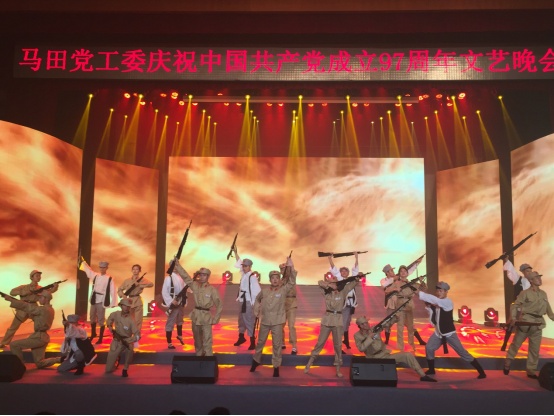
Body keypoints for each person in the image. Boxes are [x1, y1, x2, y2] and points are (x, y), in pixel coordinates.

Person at [419, 281, 487, 379]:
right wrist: (426, 301)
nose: (439, 293)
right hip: (438, 333)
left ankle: (481, 372)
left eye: (441, 291)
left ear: (446, 292)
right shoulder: (438, 303)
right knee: (429, 347)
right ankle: (431, 369)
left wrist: (420, 293)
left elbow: (433, 300)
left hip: (449, 334)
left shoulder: (447, 302)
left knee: (463, 352)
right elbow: (432, 310)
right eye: (437, 291)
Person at [304, 272, 360, 378]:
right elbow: (320, 282)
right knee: (320, 343)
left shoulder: (342, 292)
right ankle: (310, 363)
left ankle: (338, 368)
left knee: (338, 345)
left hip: (338, 320)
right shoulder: (326, 292)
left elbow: (351, 285)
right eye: (331, 283)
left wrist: (356, 280)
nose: (334, 285)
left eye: (335, 283)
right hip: (327, 319)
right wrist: (329, 284)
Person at [354, 316, 436, 382]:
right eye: (365, 323)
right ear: (361, 326)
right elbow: (361, 349)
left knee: (407, 355)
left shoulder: (374, 328)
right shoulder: (357, 335)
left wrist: (395, 318)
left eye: (367, 322)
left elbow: (386, 324)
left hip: (385, 355)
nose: (367, 324)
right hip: (373, 358)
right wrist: (369, 338)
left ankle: (423, 375)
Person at [504, 271, 554, 379]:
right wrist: (513, 318)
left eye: (540, 277)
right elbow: (515, 305)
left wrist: (552, 317)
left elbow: (548, 309)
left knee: (534, 350)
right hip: (525, 323)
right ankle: (508, 362)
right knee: (516, 345)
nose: (539, 279)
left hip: (538, 324)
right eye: (536, 278)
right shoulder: (525, 293)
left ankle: (531, 371)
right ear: (531, 280)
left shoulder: (543, 294)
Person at [251, 262, 297, 378]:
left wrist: (291, 266)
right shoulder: (265, 291)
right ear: (270, 280)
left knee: (276, 345)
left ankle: (276, 366)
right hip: (265, 321)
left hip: (277, 322)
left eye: (277, 278)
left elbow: (292, 281)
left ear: (279, 279)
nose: (275, 280)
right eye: (273, 278)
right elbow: (257, 299)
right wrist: (256, 311)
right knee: (260, 343)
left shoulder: (283, 290)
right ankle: (256, 361)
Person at [174, 260, 223, 356]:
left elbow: (219, 305)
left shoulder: (212, 290)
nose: (202, 277)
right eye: (200, 275)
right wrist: (178, 265)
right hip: (196, 316)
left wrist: (216, 319)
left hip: (206, 317)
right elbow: (186, 277)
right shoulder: (195, 286)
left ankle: (208, 359)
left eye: (204, 275)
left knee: (207, 340)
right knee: (197, 340)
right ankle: (199, 357)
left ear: (208, 277)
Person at [0, 290, 59, 369]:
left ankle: (20, 366)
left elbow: (27, 307)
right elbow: (36, 316)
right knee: (40, 363)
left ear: (47, 299)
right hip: (42, 337)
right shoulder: (50, 309)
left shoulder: (43, 309)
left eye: (41, 297)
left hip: (39, 338)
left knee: (14, 345)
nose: (38, 299)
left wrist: (11, 300)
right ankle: (60, 359)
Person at [0, 271, 59, 348]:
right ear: (31, 277)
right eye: (37, 276)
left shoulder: (40, 288)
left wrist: (55, 287)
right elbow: (12, 292)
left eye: (39, 276)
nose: (38, 277)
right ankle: (4, 342)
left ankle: (41, 340)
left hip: (34, 308)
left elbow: (48, 292)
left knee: (41, 326)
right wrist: (24, 292)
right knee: (13, 327)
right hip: (23, 308)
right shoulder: (24, 287)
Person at [386, 265, 427, 351]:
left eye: (405, 271)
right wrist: (395, 289)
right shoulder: (396, 283)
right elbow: (387, 290)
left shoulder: (412, 283)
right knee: (400, 327)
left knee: (410, 327)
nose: (403, 273)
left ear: (407, 273)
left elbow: (424, 288)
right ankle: (400, 347)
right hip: (400, 305)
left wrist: (421, 281)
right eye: (401, 271)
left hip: (409, 304)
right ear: (399, 274)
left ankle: (411, 345)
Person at [79, 259, 118, 344]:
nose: (102, 269)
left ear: (106, 268)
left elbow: (113, 290)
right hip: (94, 298)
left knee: (100, 319)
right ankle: (93, 333)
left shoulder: (109, 278)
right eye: (100, 267)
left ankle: (100, 338)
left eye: (103, 267)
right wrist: (84, 263)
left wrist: (114, 302)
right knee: (92, 317)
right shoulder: (96, 275)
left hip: (102, 300)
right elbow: (89, 271)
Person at [328, 252, 359, 351]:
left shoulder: (351, 280)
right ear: (340, 273)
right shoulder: (340, 279)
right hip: (343, 305)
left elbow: (355, 270)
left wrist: (356, 257)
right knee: (342, 324)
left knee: (347, 323)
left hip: (350, 305)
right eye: (342, 271)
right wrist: (330, 259)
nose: (344, 272)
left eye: (346, 271)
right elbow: (334, 269)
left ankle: (345, 340)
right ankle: (339, 345)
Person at [232, 248, 261, 351]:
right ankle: (241, 337)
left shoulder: (252, 277)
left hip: (248, 302)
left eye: (246, 266)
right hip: (242, 301)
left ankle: (252, 341)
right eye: (243, 266)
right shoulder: (244, 275)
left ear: (250, 267)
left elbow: (257, 292)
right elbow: (239, 262)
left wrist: (254, 305)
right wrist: (235, 253)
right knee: (241, 320)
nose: (244, 267)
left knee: (249, 320)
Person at [105, 298, 140, 378]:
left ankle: (125, 368)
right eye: (124, 305)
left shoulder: (131, 320)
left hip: (126, 341)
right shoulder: (116, 314)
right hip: (116, 340)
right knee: (108, 369)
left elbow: (138, 335)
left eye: (128, 306)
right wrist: (109, 326)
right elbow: (109, 318)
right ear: (121, 306)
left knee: (130, 349)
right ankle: (116, 360)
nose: (126, 308)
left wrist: (128, 340)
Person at [117, 264, 154, 334]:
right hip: (129, 301)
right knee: (128, 320)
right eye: (133, 269)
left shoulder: (142, 280)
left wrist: (139, 284)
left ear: (139, 271)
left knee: (138, 320)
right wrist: (123, 295)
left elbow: (151, 284)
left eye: (137, 269)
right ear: (132, 270)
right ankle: (128, 335)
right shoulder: (127, 280)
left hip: (137, 300)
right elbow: (120, 289)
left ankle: (136, 335)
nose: (135, 271)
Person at [162, 266, 187, 349]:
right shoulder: (168, 278)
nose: (175, 268)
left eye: (177, 266)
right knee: (171, 322)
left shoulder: (181, 278)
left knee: (180, 320)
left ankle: (180, 336)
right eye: (174, 266)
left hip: (180, 302)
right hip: (173, 302)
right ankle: (169, 342)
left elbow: (186, 289)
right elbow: (164, 291)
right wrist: (171, 301)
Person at [280, 257, 299, 355]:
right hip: (282, 304)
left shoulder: (292, 278)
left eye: (286, 269)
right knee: (280, 325)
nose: (284, 271)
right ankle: (282, 342)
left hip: (291, 303)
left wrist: (291, 265)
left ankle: (294, 346)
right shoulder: (280, 281)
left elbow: (293, 273)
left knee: (291, 326)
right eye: (282, 269)